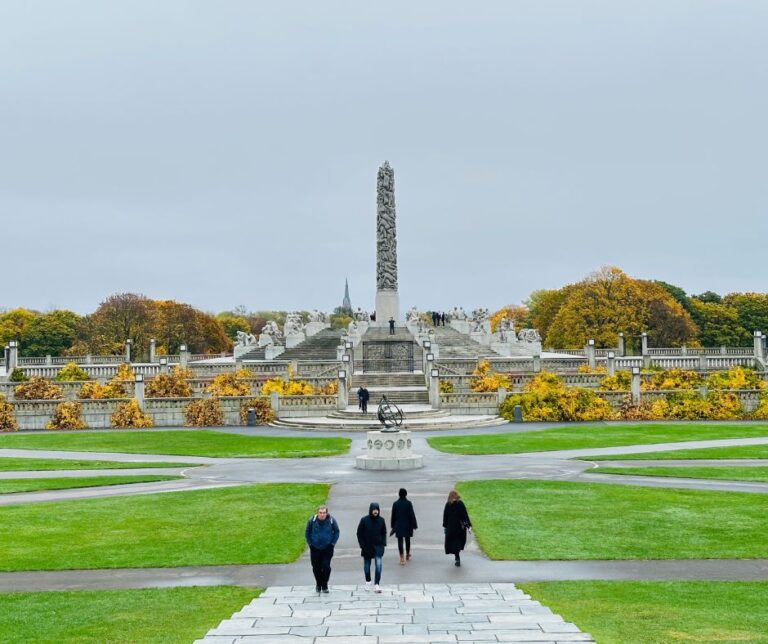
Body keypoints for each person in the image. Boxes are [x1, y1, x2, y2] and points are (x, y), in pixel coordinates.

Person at [305, 505, 339, 593]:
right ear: (317, 513)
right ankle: (318, 584)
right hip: (315, 548)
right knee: (316, 567)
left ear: (326, 513)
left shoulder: (331, 520)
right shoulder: (311, 521)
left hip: (327, 548)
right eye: (320, 513)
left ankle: (324, 585)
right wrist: (310, 544)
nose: (322, 514)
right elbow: (307, 532)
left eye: (324, 513)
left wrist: (332, 543)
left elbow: (337, 531)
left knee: (326, 566)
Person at [356, 502, 387, 592]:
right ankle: (368, 581)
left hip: (378, 546)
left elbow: (384, 532)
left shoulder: (381, 520)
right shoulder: (364, 520)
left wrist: (383, 543)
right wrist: (362, 545)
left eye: (377, 510)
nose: (375, 511)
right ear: (370, 510)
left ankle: (377, 584)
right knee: (366, 566)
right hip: (367, 546)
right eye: (374, 510)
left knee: (378, 565)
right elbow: (359, 533)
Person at [443, 489, 471, 567]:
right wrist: (468, 525)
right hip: (460, 527)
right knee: (458, 541)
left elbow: (445, 516)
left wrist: (445, 526)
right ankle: (457, 555)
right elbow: (465, 515)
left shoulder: (448, 504)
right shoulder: (460, 504)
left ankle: (457, 556)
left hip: (451, 527)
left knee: (453, 542)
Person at [390, 488, 418, 565]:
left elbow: (393, 516)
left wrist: (393, 525)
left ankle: (401, 557)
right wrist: (414, 525)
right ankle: (407, 554)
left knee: (400, 541)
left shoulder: (395, 504)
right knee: (407, 540)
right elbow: (412, 515)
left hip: (398, 525)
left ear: (399, 494)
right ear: (406, 494)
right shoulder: (408, 503)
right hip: (408, 525)